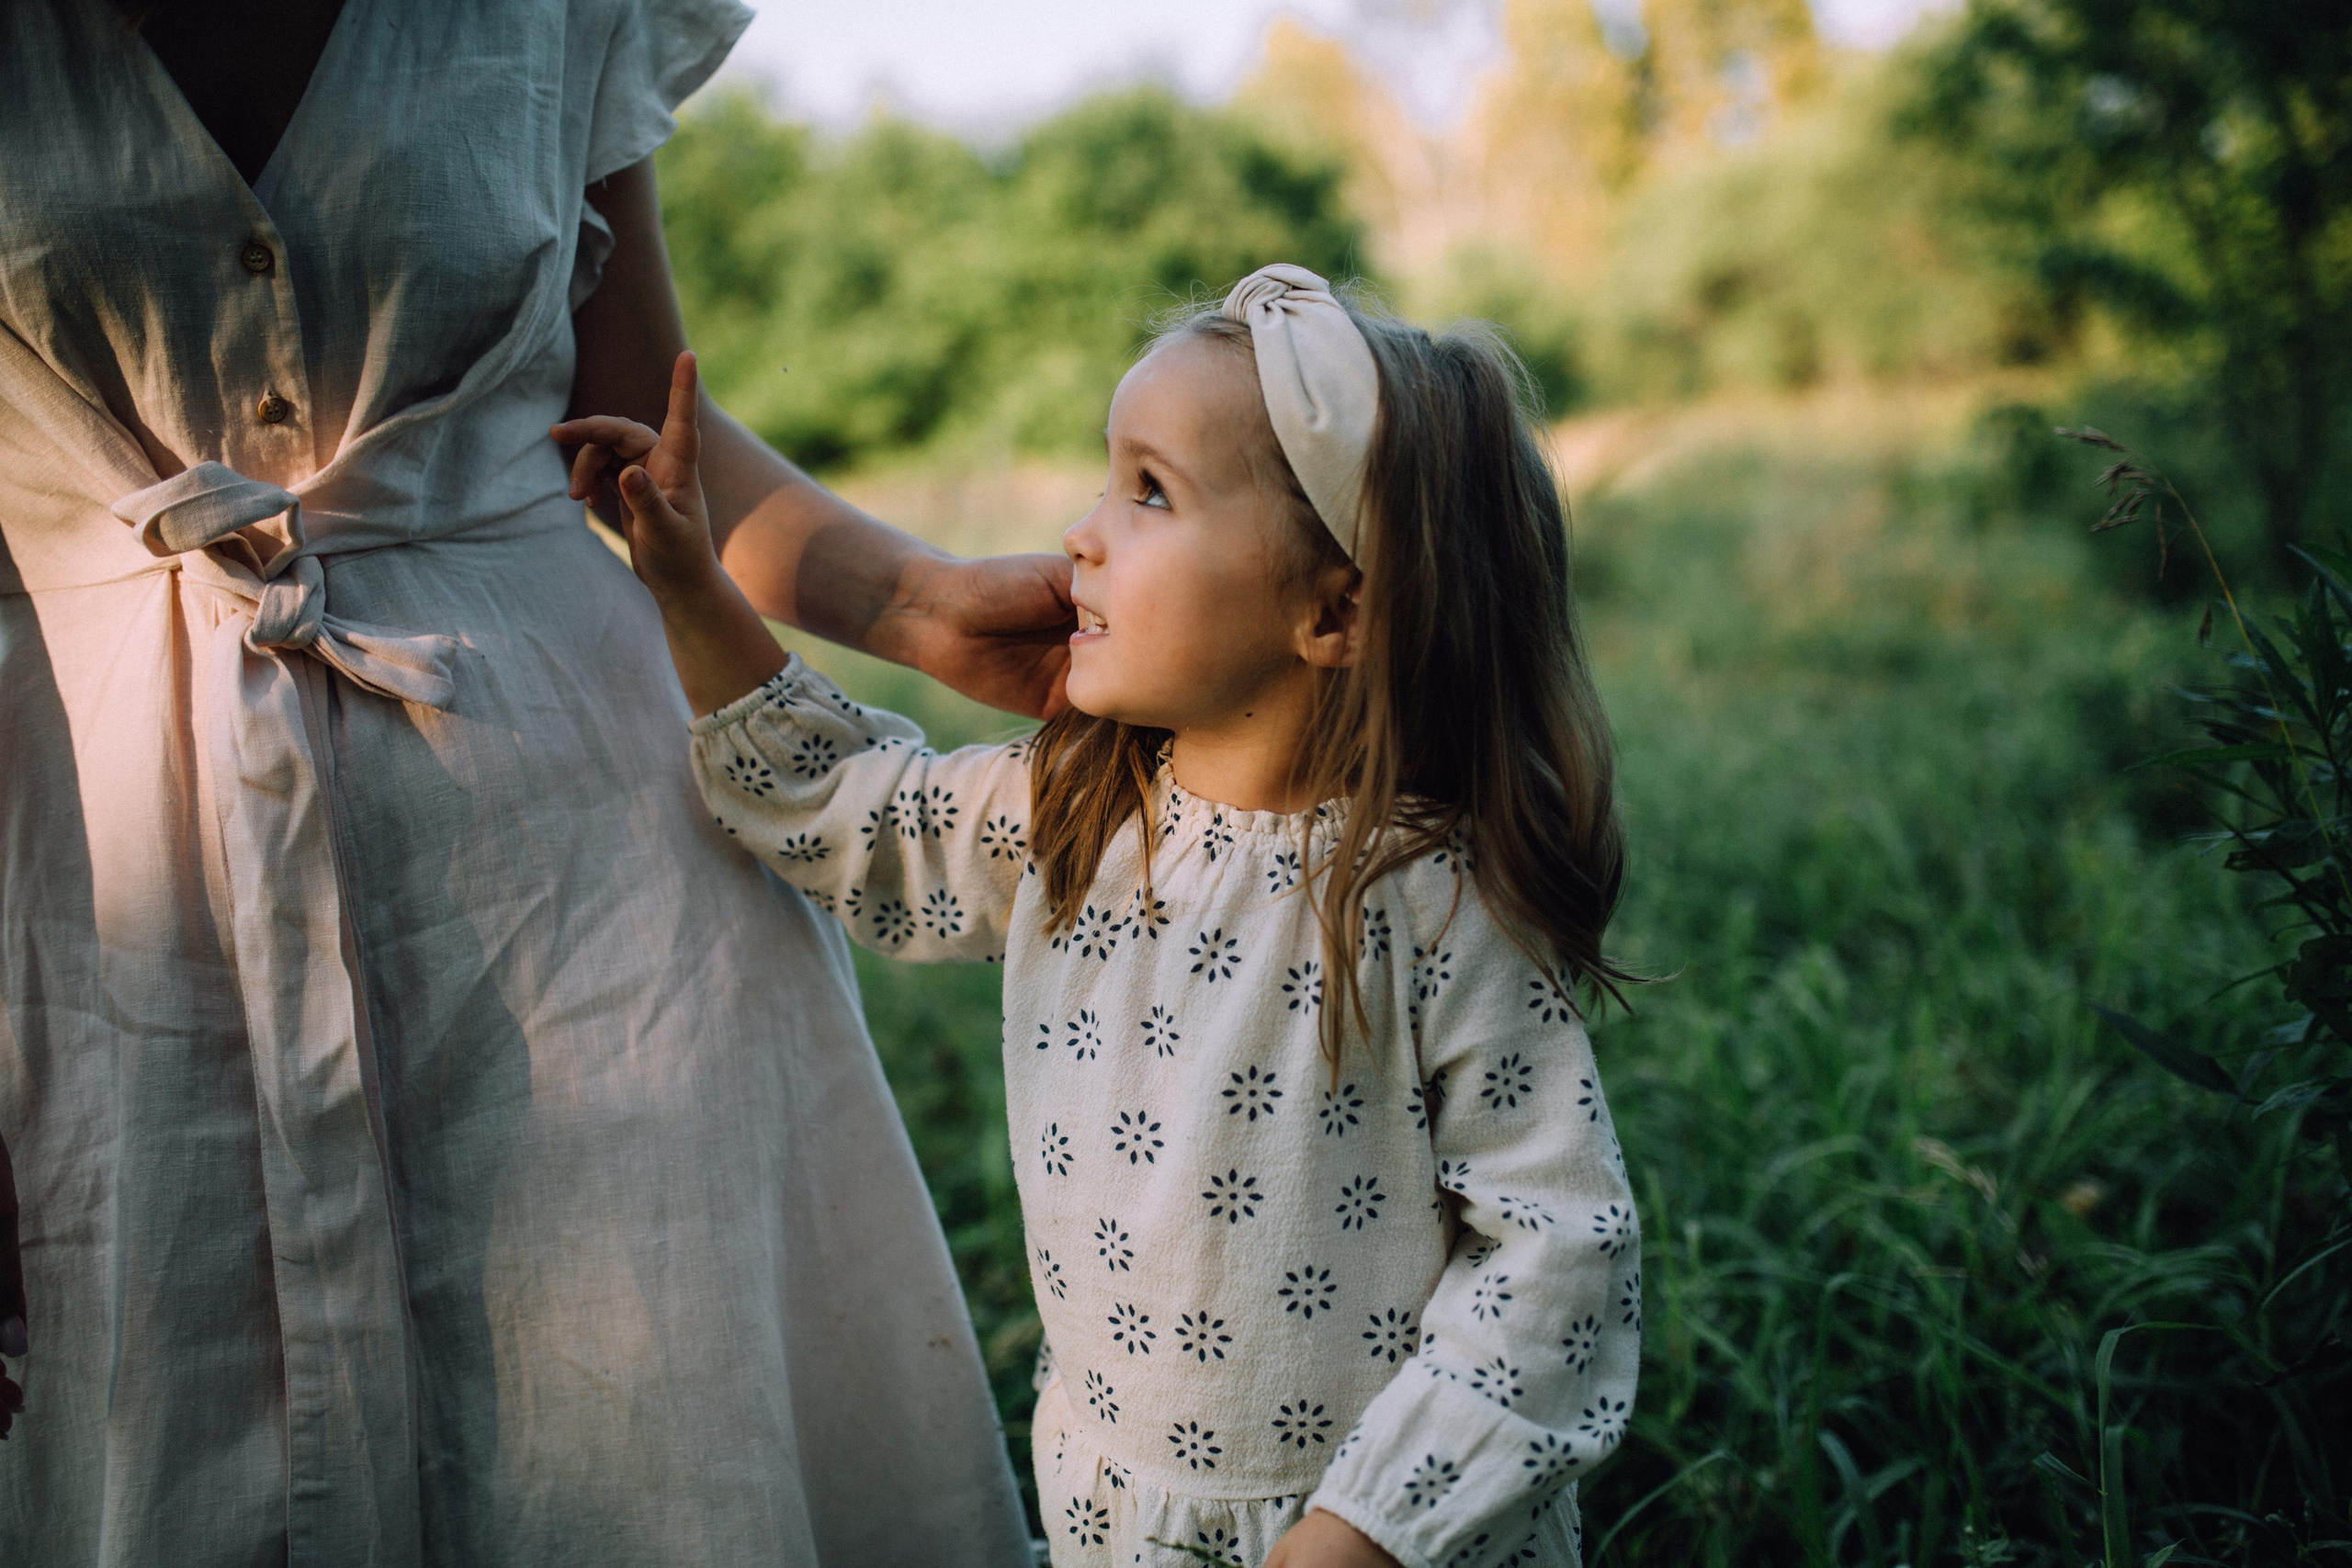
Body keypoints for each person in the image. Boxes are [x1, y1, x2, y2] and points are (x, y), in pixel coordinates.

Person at [0, 0, 1053, 1561]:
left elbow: (636, 419)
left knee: (639, 1453)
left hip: (590, 885)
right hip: (87, 878)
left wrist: (925, 609)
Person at [563, 265, 1645, 1566]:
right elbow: (850, 810)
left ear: (1335, 608)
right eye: (1105, 480)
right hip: (1117, 1516)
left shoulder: (1428, 898)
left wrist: (1368, 1528)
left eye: (1150, 493)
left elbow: (1559, 1250)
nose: (1080, 535)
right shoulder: (1077, 813)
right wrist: (692, 586)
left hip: (1373, 1530)